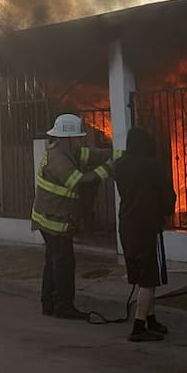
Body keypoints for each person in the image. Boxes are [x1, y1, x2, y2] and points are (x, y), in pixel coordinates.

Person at [32, 113, 118, 320]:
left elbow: (93, 154)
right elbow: (79, 182)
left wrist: (118, 153)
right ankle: (63, 306)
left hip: (51, 217)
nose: (81, 140)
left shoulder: (67, 151)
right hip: (54, 221)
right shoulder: (59, 158)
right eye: (78, 137)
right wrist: (109, 169)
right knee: (64, 263)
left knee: (53, 261)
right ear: (68, 138)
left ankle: (49, 303)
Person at [114, 126, 177, 342]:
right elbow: (168, 197)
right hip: (148, 228)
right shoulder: (153, 167)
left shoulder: (120, 166)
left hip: (127, 227)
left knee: (142, 277)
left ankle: (151, 319)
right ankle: (139, 327)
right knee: (150, 279)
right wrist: (167, 211)